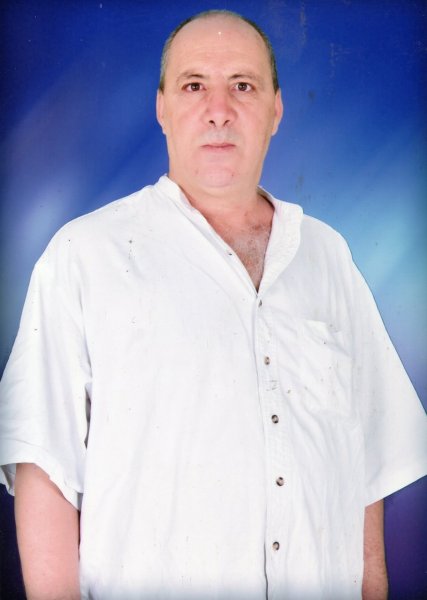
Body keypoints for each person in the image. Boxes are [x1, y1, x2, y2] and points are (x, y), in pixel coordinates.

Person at [0, 9, 426, 600]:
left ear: (276, 109)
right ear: (162, 108)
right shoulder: (84, 255)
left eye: (243, 86)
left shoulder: (327, 255)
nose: (218, 109)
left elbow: (367, 462)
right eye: (194, 85)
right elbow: (43, 464)